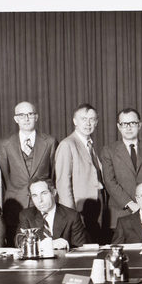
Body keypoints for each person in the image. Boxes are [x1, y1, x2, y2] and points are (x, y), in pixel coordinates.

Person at [0, 101, 57, 243]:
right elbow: (5, 177)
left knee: (45, 244)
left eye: (30, 114)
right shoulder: (5, 144)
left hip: (42, 205)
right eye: (21, 115)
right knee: (16, 245)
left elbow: (53, 174)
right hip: (16, 205)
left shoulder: (50, 142)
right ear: (15, 119)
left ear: (36, 117)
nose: (26, 118)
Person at [100, 108, 142, 229]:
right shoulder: (109, 151)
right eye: (124, 124)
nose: (128, 128)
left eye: (132, 123)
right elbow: (110, 182)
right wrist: (130, 204)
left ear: (139, 125)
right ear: (119, 126)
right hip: (120, 213)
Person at [55, 103, 107, 242]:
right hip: (79, 211)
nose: (88, 123)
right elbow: (63, 184)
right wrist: (71, 216)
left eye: (92, 119)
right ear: (75, 121)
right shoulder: (67, 144)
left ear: (96, 122)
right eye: (83, 119)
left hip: (96, 208)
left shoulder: (90, 144)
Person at [17, 178, 89, 248]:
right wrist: (47, 244)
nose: (39, 200)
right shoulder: (26, 215)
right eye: (34, 195)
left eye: (44, 193)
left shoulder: (71, 216)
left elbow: (80, 247)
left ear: (53, 193)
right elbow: (19, 242)